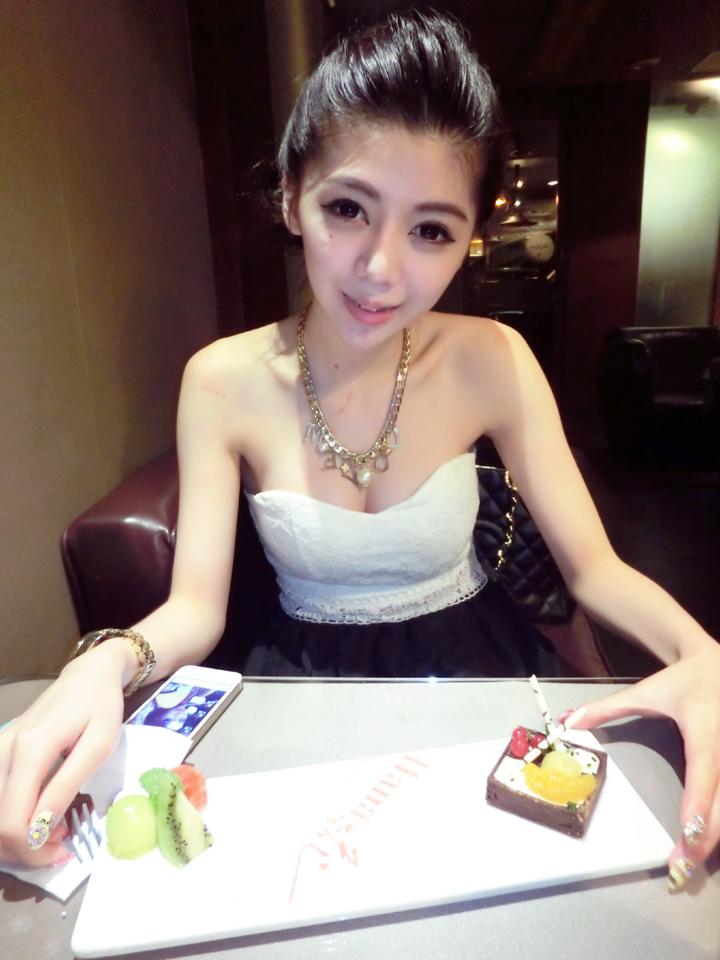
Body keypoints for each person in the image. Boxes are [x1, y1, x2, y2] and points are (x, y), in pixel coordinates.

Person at [1, 11, 718, 891]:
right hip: (302, 687)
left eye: (431, 230)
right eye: (347, 209)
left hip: (475, 673)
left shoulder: (492, 359)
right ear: (290, 198)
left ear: (469, 236)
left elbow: (595, 571)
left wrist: (704, 656)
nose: (382, 270)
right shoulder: (220, 380)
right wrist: (104, 663)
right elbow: (194, 609)